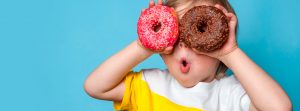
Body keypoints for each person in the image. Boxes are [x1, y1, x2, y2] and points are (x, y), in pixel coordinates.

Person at [84, 0, 292, 110]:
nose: (183, 45)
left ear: (217, 44)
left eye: (199, 35)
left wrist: (230, 53)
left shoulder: (229, 95)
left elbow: (280, 108)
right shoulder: (149, 85)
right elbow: (95, 87)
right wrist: (143, 46)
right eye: (175, 38)